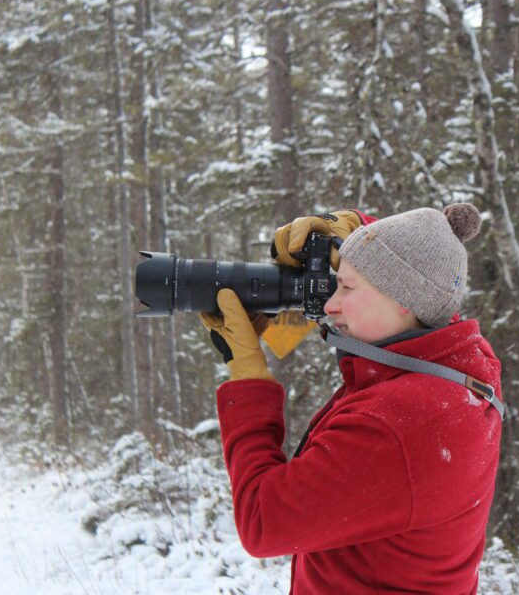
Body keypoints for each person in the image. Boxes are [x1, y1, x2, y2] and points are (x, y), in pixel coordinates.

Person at [199, 204, 503, 594]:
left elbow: (263, 521)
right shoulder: (464, 366)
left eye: (348, 287)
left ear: (404, 300)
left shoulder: (398, 424)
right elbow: (424, 276)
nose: (330, 305)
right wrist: (350, 229)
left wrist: (248, 378)